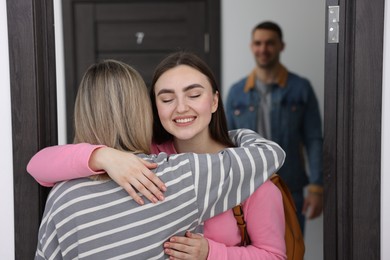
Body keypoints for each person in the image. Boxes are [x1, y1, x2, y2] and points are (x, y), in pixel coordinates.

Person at [28, 54, 287, 259]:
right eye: (166, 99)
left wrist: (212, 253)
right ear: (151, 109)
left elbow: (275, 256)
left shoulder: (248, 170)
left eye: (194, 95)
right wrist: (103, 157)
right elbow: (39, 165)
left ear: (215, 101)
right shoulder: (145, 160)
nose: (181, 107)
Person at [225, 21, 324, 232]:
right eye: (258, 43)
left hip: (291, 186)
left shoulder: (300, 88)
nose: (263, 49)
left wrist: (316, 186)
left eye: (270, 43)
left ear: (281, 46)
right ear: (252, 46)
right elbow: (226, 144)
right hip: (248, 189)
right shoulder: (236, 92)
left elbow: (314, 139)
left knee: (292, 251)